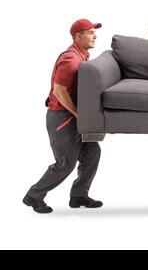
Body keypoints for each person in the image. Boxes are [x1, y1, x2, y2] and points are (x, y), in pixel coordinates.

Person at [23, 19, 104, 213]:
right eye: (90, 32)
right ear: (78, 36)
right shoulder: (71, 59)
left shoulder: (81, 56)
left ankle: (78, 196)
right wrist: (79, 114)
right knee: (65, 163)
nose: (95, 36)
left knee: (92, 153)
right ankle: (33, 196)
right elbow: (59, 91)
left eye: (95, 32)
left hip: (72, 118)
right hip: (62, 119)